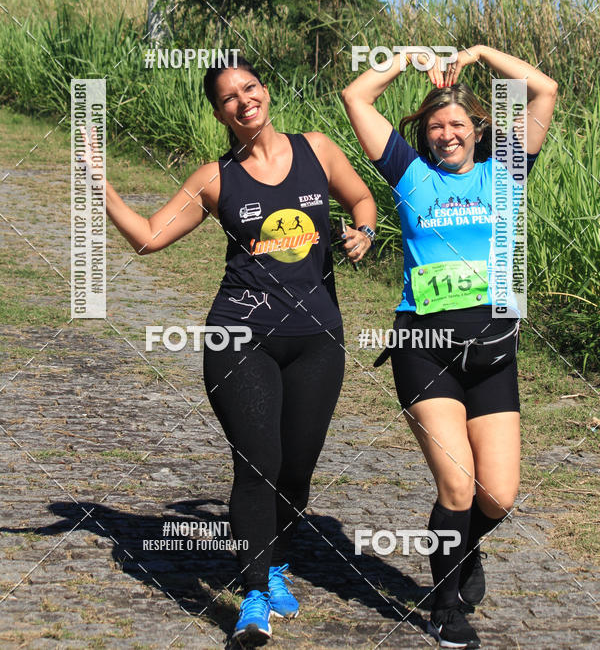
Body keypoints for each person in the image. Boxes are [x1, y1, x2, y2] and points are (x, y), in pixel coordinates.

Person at [81, 56, 376, 643]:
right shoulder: (213, 178)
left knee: (296, 467)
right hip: (239, 336)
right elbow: (148, 238)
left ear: (265, 91)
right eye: (228, 99)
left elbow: (362, 200)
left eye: (250, 88)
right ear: (219, 113)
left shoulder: (318, 149)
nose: (243, 102)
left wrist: (362, 231)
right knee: (257, 461)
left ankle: (279, 562)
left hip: (318, 338)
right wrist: (100, 185)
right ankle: (254, 593)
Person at [342, 45, 557, 649]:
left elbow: (545, 90)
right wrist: (408, 57)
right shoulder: (411, 175)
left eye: (457, 124)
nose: (445, 134)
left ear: (477, 129)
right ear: (426, 134)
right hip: (424, 346)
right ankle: (444, 607)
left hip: (493, 350)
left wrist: (481, 53)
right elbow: (357, 97)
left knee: (499, 494)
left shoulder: (506, 170)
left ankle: (465, 550)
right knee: (458, 486)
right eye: (436, 125)